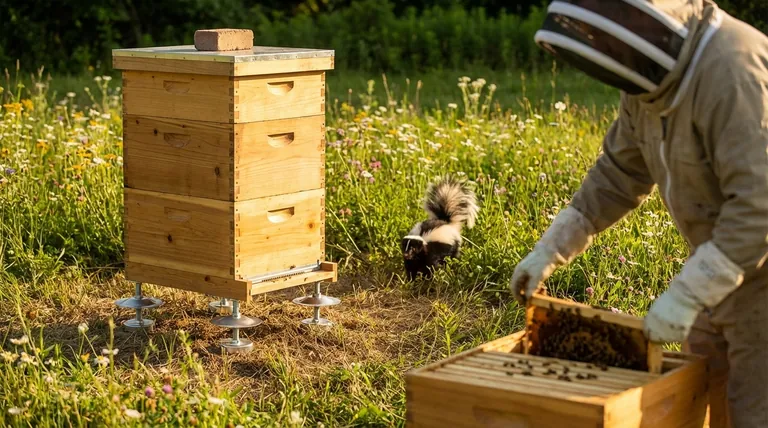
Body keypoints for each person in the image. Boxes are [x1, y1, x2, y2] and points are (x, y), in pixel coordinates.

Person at [509, 1, 768, 427]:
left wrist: (688, 293)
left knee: (755, 408)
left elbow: (759, 208)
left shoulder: (734, 71)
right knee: (699, 382)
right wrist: (551, 249)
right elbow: (620, 170)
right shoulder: (648, 82)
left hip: (760, 268)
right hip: (722, 263)